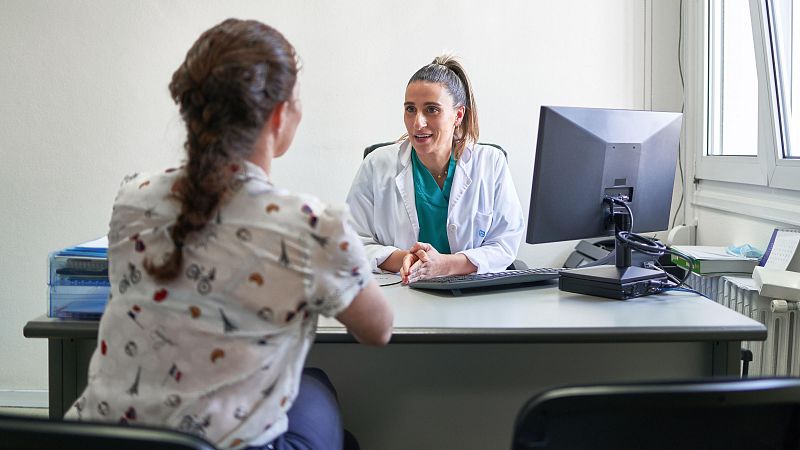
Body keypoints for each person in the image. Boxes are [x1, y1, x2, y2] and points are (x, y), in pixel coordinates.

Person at [64, 19, 393, 450]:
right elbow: (378, 329)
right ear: (280, 114)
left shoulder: (133, 196)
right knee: (318, 394)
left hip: (97, 441)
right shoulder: (311, 225)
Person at [346, 55, 525, 283]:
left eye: (432, 109)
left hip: (472, 296)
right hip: (400, 291)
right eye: (410, 109)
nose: (418, 123)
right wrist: (406, 260)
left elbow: (504, 244)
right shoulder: (376, 165)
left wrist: (444, 265)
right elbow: (351, 242)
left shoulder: (491, 163)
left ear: (458, 115)